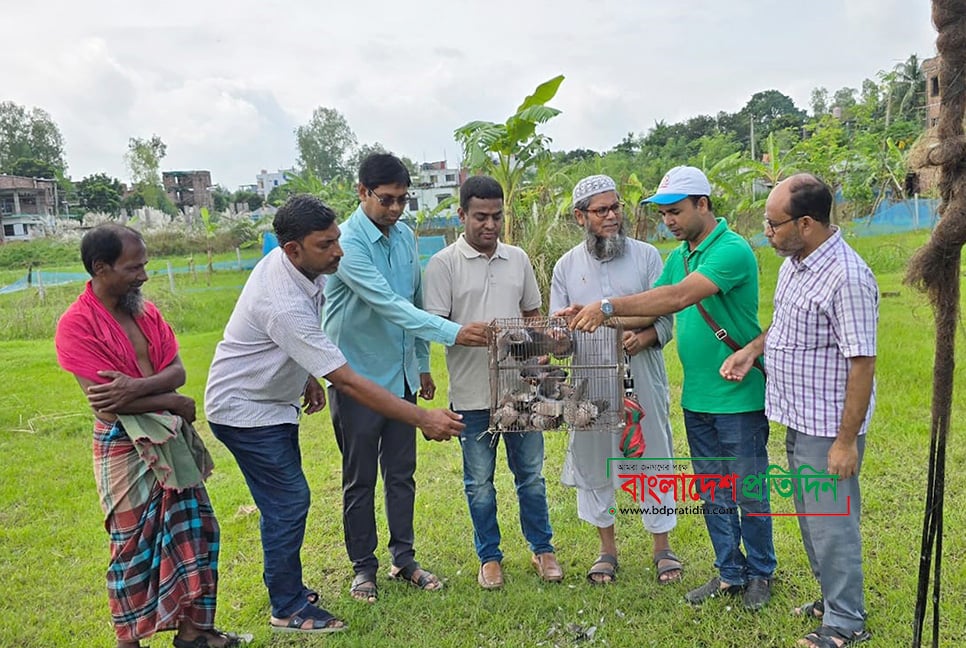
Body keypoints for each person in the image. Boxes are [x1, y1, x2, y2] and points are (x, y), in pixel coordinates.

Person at [204, 194, 468, 634]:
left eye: (338, 240)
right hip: (245, 410)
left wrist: (306, 372)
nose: (338, 251)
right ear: (293, 249)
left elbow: (304, 337)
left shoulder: (299, 268)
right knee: (289, 502)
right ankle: (287, 607)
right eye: (325, 244)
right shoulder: (283, 300)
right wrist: (421, 418)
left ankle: (291, 586)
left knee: (285, 503)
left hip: (274, 404)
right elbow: (345, 379)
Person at [570, 166, 776, 610]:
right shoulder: (681, 256)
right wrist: (584, 314)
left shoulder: (732, 250)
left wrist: (605, 306)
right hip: (697, 398)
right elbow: (646, 312)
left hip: (738, 397)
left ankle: (760, 572)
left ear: (703, 204)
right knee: (712, 489)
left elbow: (677, 299)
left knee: (748, 488)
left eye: (676, 212)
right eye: (663, 214)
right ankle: (729, 572)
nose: (669, 221)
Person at [54, 224, 247, 648]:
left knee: (196, 530)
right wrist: (172, 401)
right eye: (133, 267)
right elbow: (106, 404)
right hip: (122, 445)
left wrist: (138, 387)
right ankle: (129, 640)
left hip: (167, 436)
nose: (143, 275)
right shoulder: (76, 325)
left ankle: (194, 633)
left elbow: (176, 372)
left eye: (144, 264)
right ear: (100, 268)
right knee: (130, 546)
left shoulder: (145, 312)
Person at [322, 153, 489, 602]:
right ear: (362, 192)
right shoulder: (348, 244)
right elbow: (388, 305)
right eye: (386, 200)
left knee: (402, 474)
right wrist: (456, 333)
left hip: (399, 378)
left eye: (402, 200)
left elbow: (413, 300)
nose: (395, 209)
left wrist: (420, 365)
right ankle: (363, 568)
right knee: (359, 479)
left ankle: (404, 558)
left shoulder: (406, 238)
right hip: (355, 378)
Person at [721, 174, 876, 647]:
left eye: (772, 224)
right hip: (797, 417)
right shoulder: (796, 264)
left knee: (833, 526)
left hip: (829, 428)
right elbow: (784, 328)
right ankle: (831, 598)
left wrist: (846, 441)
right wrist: (752, 350)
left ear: (805, 223)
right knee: (810, 518)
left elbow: (862, 363)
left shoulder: (846, 277)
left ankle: (847, 621)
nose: (766, 232)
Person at [423, 175, 562, 590]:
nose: (490, 225)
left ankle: (542, 549)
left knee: (532, 477)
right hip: (471, 394)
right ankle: (489, 557)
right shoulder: (443, 264)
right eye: (480, 216)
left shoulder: (517, 259)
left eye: (497, 217)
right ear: (462, 214)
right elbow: (434, 324)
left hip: (521, 391)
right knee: (479, 482)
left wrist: (542, 341)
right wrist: (469, 331)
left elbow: (533, 314)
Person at [549, 174, 683, 586]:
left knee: (653, 454)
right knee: (594, 459)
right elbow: (560, 341)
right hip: (591, 386)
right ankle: (606, 549)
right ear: (580, 217)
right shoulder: (566, 267)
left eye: (616, 207)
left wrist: (644, 337)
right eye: (601, 210)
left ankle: (663, 549)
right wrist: (557, 337)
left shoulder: (646, 257)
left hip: (642, 378)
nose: (612, 216)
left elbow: (667, 317)